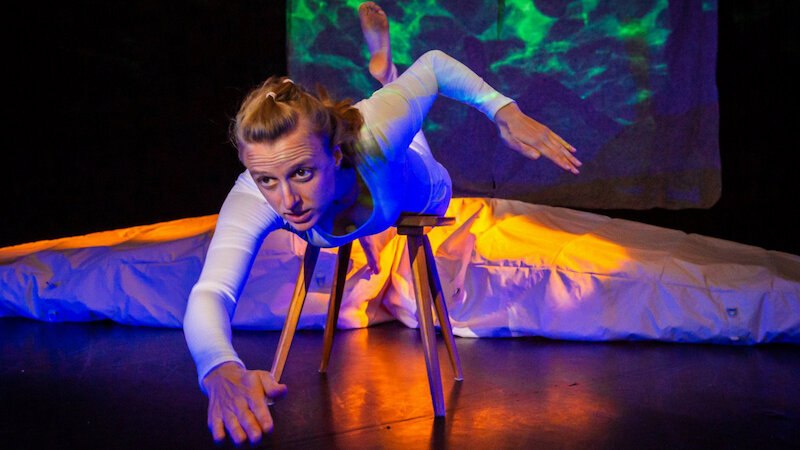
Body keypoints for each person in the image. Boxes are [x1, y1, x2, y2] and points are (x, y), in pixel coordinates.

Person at [183, 2, 581, 445]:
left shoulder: (372, 134)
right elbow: (212, 291)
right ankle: (386, 73)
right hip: (359, 203)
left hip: (418, 188)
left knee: (413, 151)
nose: (287, 201)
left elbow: (433, 67)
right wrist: (218, 367)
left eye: (301, 173)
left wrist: (504, 112)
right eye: (267, 180)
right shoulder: (253, 195)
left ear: (334, 156)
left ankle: (388, 73)